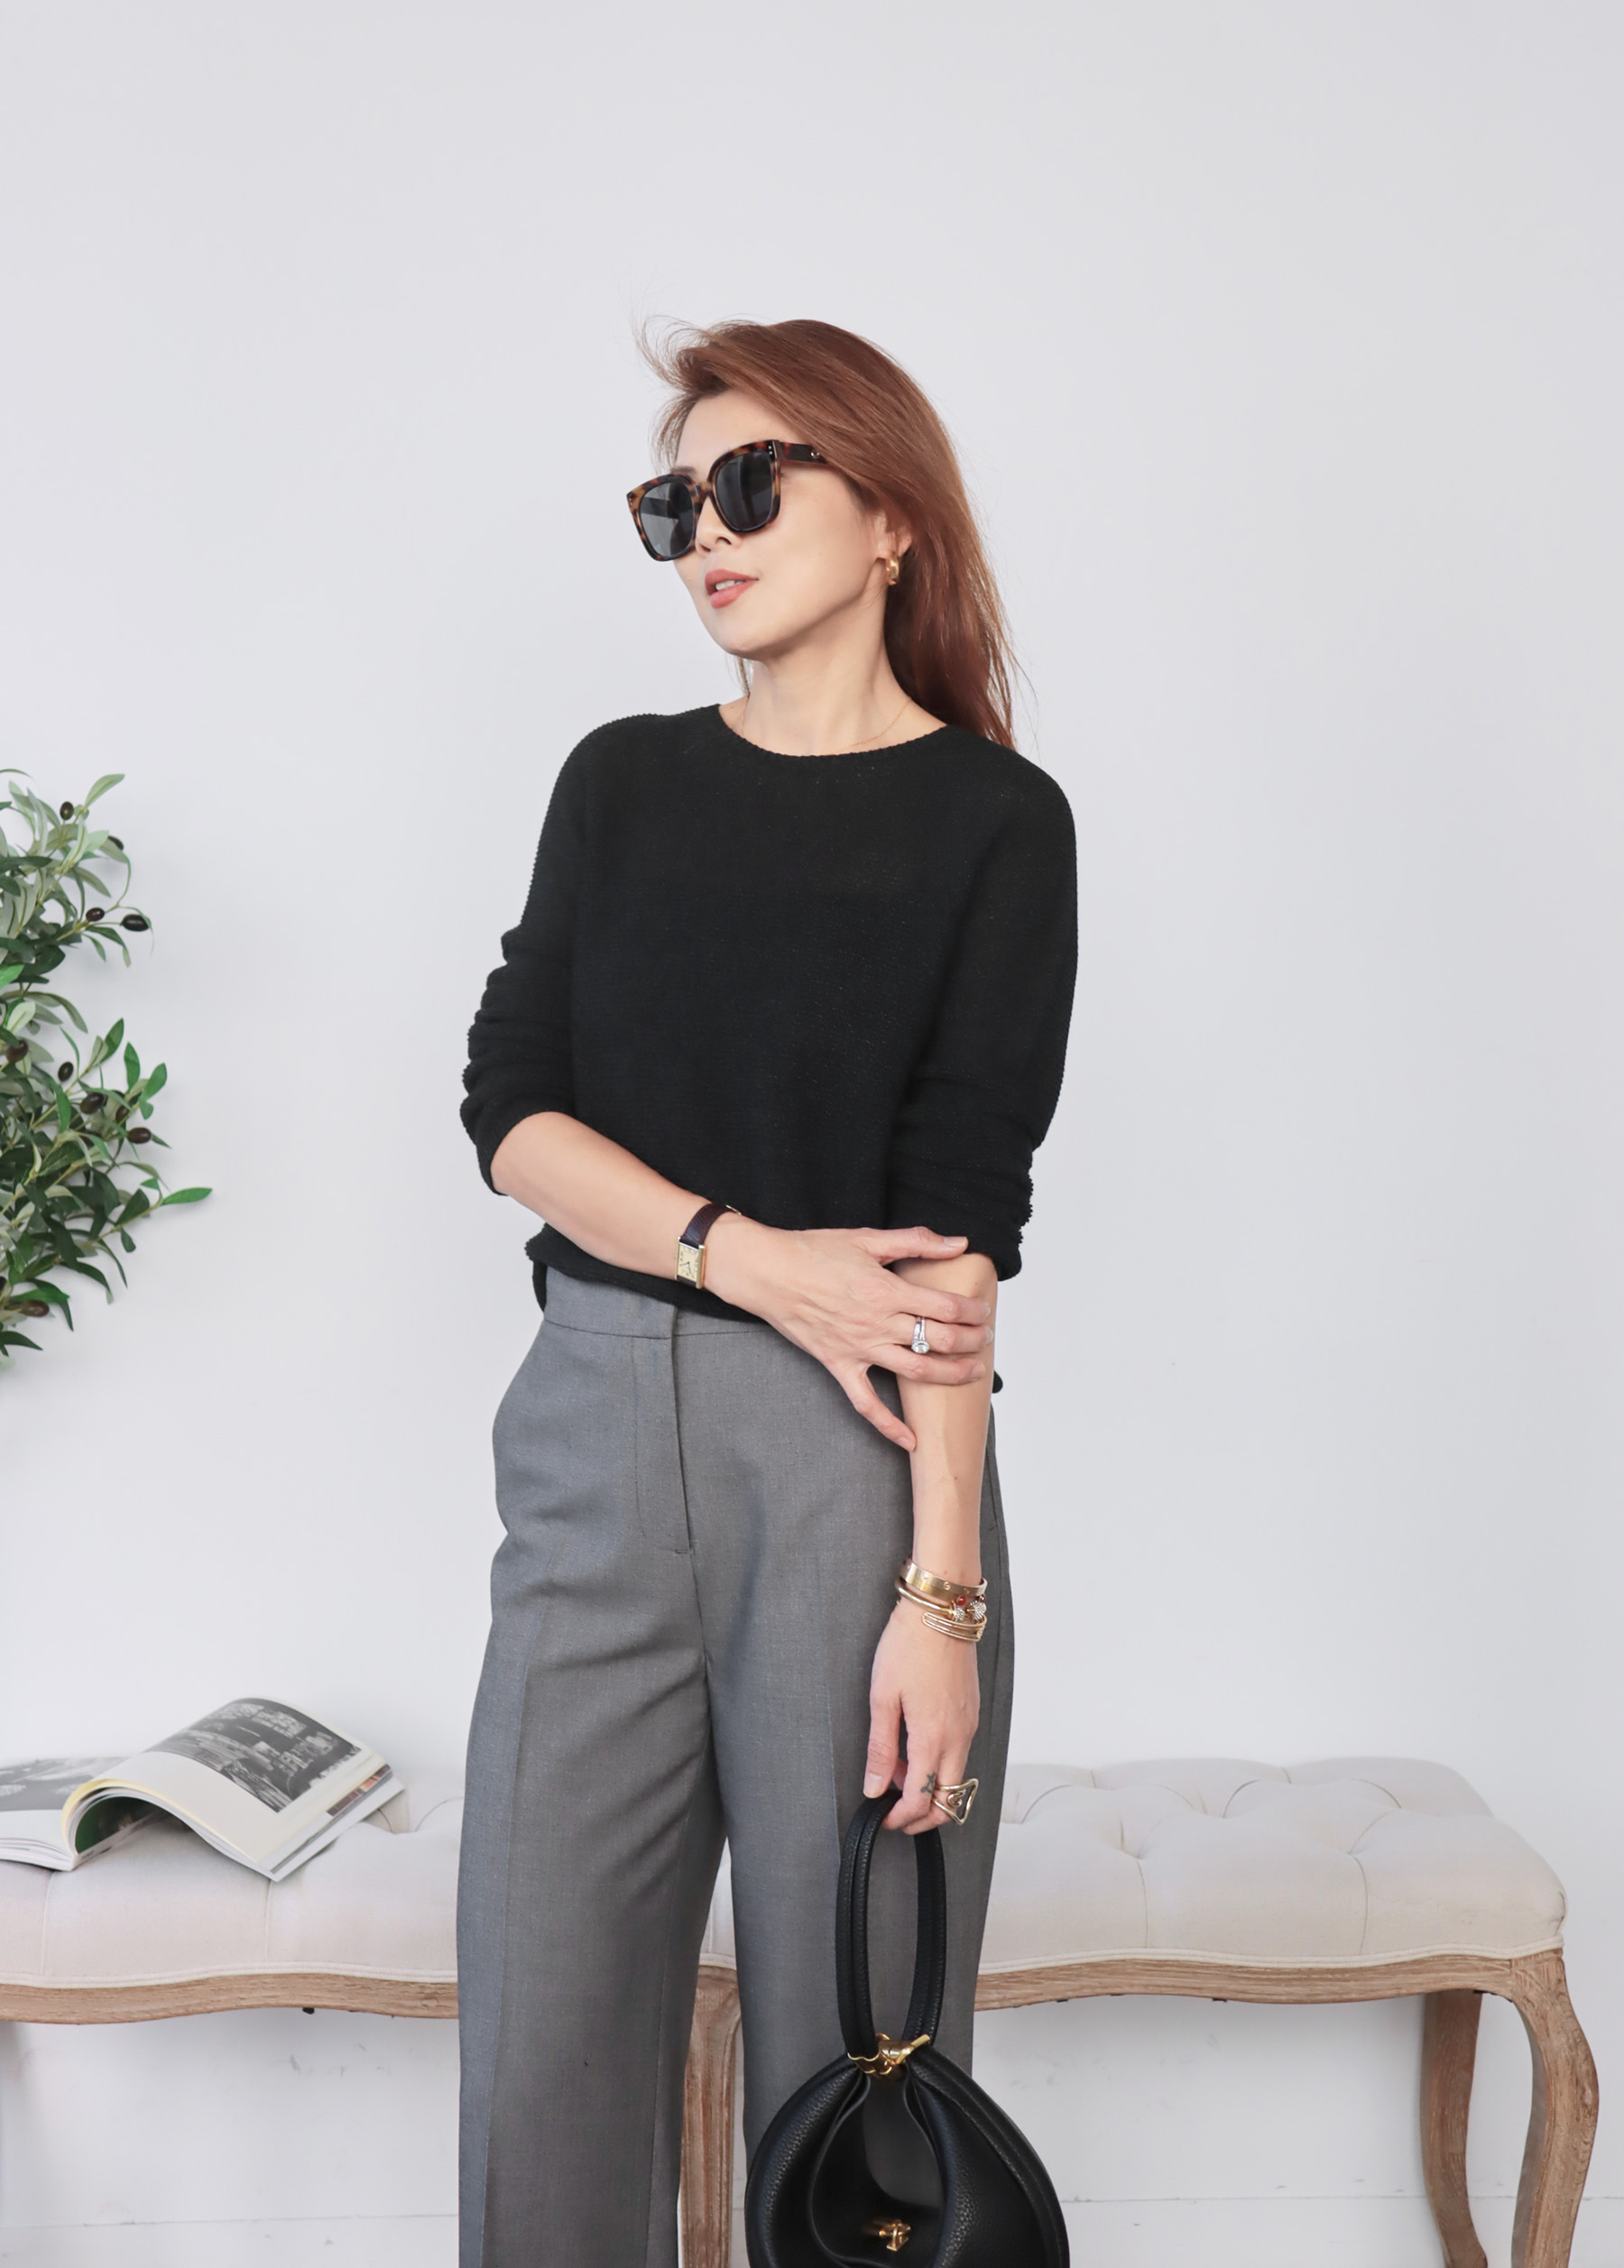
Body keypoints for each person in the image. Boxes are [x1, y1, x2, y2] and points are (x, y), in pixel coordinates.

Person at [457, 318, 1076, 2266]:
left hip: (854, 1466)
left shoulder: (996, 822)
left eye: (750, 482)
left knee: (858, 2083)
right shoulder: (621, 782)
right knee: (542, 2046)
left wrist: (942, 1595)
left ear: (891, 518)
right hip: (593, 1431)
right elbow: (510, 1110)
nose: (706, 532)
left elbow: (959, 1238)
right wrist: (749, 1256)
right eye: (675, 503)